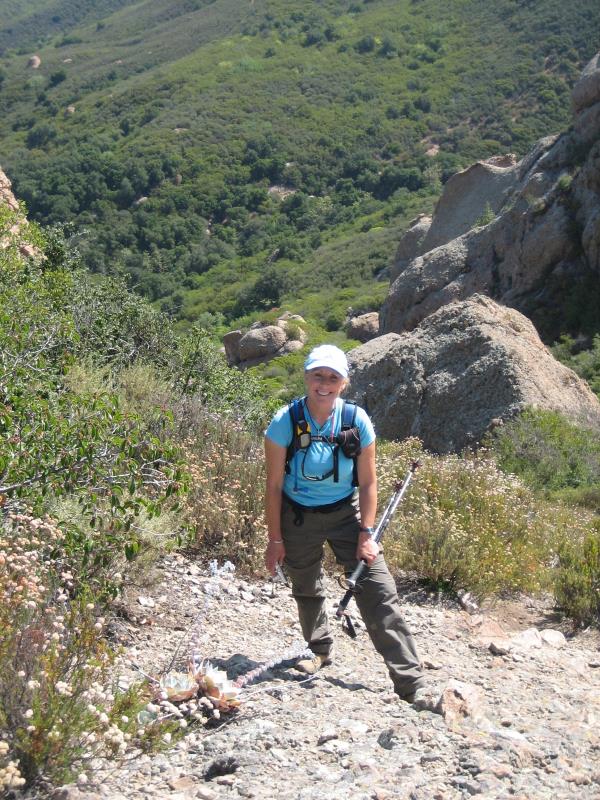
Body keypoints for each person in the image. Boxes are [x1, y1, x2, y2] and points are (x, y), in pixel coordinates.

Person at [264, 344, 425, 702]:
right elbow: (273, 486)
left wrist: (366, 534)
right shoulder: (284, 422)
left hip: (346, 515)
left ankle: (411, 683)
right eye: (317, 375)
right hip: (297, 516)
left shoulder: (356, 421)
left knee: (379, 592)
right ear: (306, 377)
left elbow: (368, 483)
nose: (324, 383)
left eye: (332, 377)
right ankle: (319, 649)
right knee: (306, 587)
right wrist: (275, 540)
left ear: (344, 382)